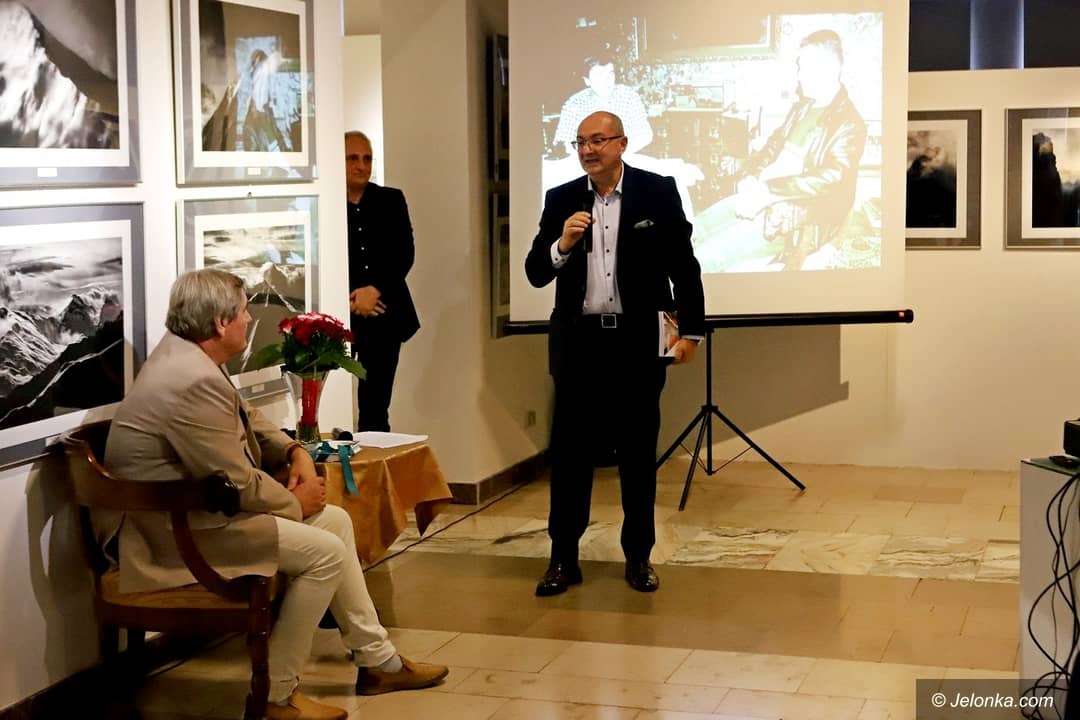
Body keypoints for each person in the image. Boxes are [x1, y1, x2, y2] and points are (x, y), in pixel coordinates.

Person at [101, 269, 447, 720]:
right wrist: (295, 503)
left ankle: (378, 662)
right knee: (325, 553)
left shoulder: (187, 356)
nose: (249, 319)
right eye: (244, 312)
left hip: (196, 519)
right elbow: (236, 480)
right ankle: (275, 694)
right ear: (220, 323)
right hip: (172, 536)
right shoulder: (189, 380)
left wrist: (293, 450)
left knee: (336, 522)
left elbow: (246, 417)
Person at [525, 111, 704, 597]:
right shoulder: (561, 198)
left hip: (636, 342)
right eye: (580, 142)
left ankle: (639, 556)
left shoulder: (656, 192)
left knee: (637, 453)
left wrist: (690, 332)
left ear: (622, 144)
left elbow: (684, 267)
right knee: (570, 456)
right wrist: (563, 243)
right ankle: (563, 558)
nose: (588, 150)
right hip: (579, 344)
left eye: (598, 141)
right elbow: (536, 272)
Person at [724, 29, 867, 270]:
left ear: (830, 69)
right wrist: (752, 175)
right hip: (761, 195)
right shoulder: (802, 107)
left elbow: (834, 178)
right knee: (697, 228)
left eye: (804, 67)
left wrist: (768, 191)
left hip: (788, 219)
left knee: (706, 255)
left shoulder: (850, 123)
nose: (799, 76)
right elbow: (773, 145)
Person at [345, 131, 420, 432]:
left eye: (367, 158)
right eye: (353, 158)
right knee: (330, 398)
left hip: (385, 314)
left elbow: (404, 253)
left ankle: (375, 459)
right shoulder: (325, 204)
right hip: (340, 314)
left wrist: (374, 290)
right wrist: (350, 299)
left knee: (375, 405)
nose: (362, 166)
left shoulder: (391, 200)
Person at [553, 53, 653, 156]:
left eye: (610, 73)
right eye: (600, 75)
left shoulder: (629, 96)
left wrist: (617, 154)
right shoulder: (574, 104)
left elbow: (645, 134)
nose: (608, 80)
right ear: (587, 81)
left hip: (625, 157)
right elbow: (562, 142)